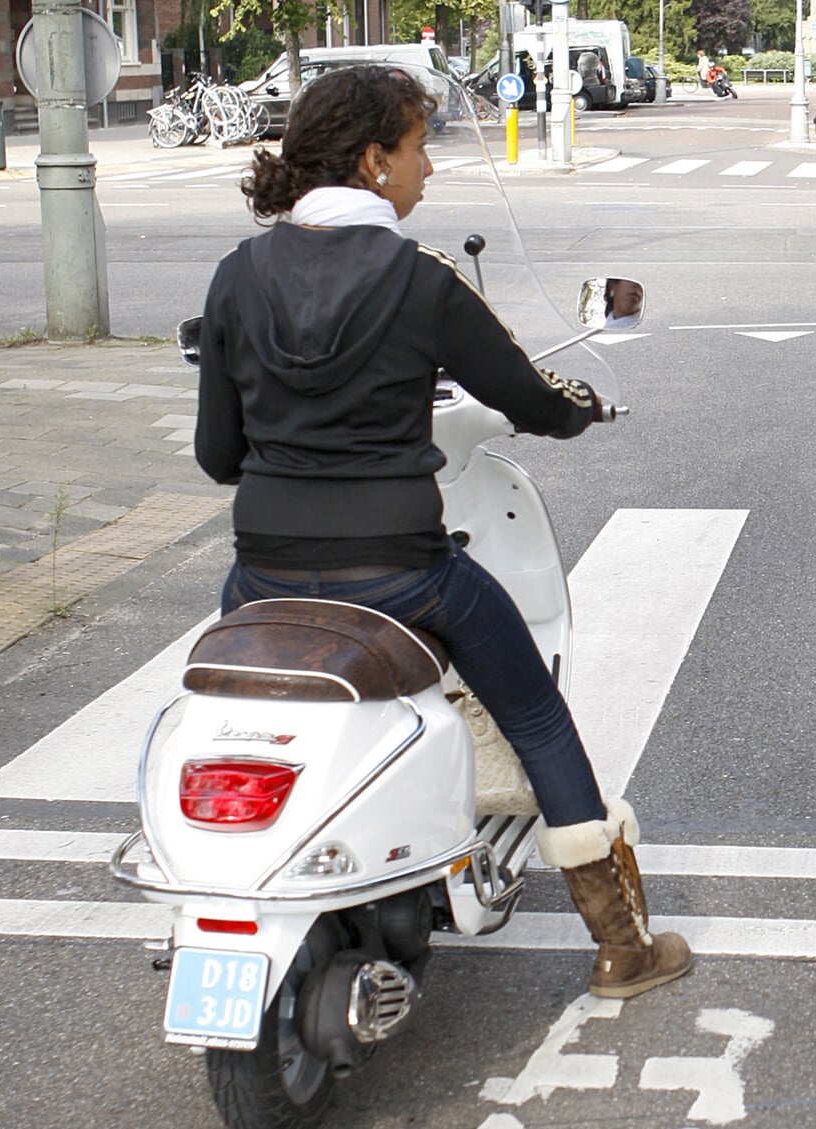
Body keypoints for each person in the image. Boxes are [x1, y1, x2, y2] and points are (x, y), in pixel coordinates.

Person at [196, 66, 691, 998]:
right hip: (400, 571)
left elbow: (218, 453)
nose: (429, 168)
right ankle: (621, 943)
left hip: (261, 574)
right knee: (535, 710)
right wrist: (580, 406)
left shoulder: (237, 276)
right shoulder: (419, 280)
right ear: (375, 159)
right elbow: (530, 400)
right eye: (421, 148)